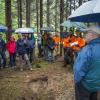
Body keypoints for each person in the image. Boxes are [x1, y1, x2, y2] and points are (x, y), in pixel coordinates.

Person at [74, 26, 100, 100]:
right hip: (97, 84)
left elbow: (79, 70)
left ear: (92, 35)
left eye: (86, 33)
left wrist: (77, 80)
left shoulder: (87, 49)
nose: (85, 35)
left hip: (84, 85)